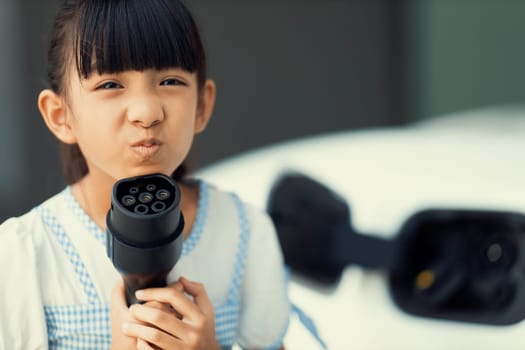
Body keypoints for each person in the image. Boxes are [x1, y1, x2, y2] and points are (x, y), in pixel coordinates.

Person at [0, 0, 289, 349]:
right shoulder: (26, 254)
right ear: (60, 115)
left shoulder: (245, 232)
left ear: (202, 105)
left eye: (169, 80)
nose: (147, 112)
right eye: (110, 85)